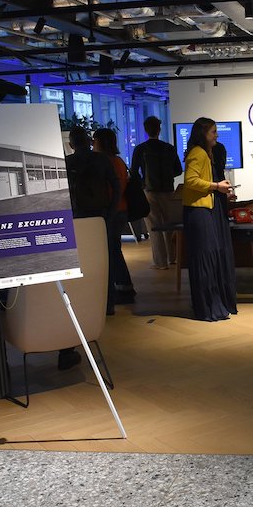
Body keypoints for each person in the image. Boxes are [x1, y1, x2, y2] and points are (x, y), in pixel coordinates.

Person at [59, 127, 120, 370]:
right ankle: (108, 304)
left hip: (78, 219)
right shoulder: (102, 160)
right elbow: (115, 187)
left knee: (82, 267)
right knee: (104, 262)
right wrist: (110, 211)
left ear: (72, 143)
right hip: (99, 216)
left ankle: (93, 307)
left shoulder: (69, 162)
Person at [182, 117, 238, 321]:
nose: (217, 135)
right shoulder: (198, 153)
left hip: (203, 210)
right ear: (203, 134)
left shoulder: (205, 153)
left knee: (209, 256)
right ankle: (208, 307)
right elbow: (191, 181)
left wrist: (220, 190)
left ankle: (211, 305)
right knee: (206, 257)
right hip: (199, 212)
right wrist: (216, 187)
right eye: (213, 132)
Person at [131, 116, 182, 270]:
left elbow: (134, 171)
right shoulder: (169, 148)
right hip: (168, 191)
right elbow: (178, 170)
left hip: (149, 191)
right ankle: (173, 257)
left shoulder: (140, 149)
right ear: (159, 129)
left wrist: (142, 184)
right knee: (169, 224)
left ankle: (160, 262)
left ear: (146, 130)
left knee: (154, 226)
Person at [92, 127, 135, 305]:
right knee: (114, 249)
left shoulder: (104, 162)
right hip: (121, 210)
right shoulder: (118, 161)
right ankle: (123, 286)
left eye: (94, 140)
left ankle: (120, 287)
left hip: (111, 211)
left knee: (111, 251)